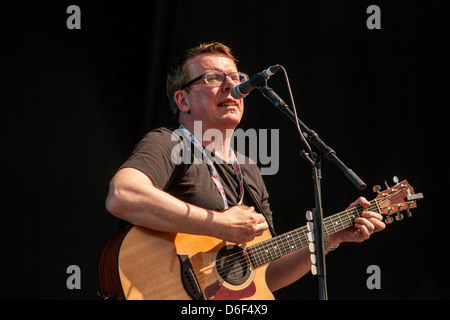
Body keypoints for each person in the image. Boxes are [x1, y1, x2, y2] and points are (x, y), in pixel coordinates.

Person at [105, 42, 385, 295]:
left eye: (237, 78)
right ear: (183, 101)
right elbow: (123, 195)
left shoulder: (248, 170)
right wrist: (218, 224)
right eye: (213, 78)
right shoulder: (168, 143)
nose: (231, 85)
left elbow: (268, 274)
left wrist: (330, 237)